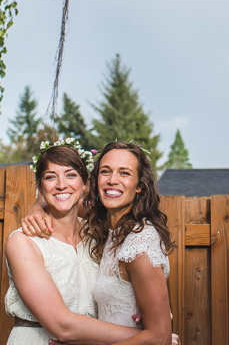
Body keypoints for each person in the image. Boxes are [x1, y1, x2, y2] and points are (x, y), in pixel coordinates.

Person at [21, 141, 175, 345]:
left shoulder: (140, 243)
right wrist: (37, 210)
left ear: (139, 186)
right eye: (105, 171)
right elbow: (61, 197)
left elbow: (159, 337)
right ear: (94, 181)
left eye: (124, 173)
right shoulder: (108, 224)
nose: (112, 180)